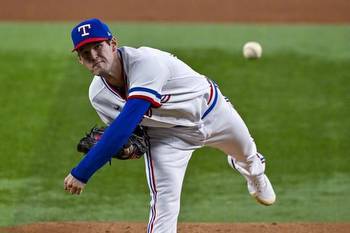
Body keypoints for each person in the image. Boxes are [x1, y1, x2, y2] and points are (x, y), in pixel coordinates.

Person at [64, 18, 276, 233]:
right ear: (80, 60)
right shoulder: (99, 96)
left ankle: (255, 176)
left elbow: (124, 123)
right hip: (167, 138)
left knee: (248, 156)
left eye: (98, 46)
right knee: (163, 203)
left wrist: (82, 172)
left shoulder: (146, 62)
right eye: (85, 53)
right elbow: (131, 134)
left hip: (213, 113)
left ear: (113, 44)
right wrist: (129, 149)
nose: (93, 56)